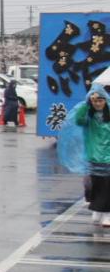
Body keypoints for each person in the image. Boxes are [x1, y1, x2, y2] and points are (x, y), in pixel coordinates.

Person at [59, 86, 110, 227]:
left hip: (108, 158)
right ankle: (97, 211)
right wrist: (86, 105)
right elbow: (78, 119)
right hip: (93, 157)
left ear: (105, 101)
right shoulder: (89, 117)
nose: (98, 103)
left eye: (100, 100)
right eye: (94, 101)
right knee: (94, 186)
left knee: (107, 186)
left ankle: (106, 214)